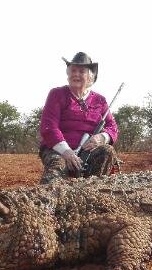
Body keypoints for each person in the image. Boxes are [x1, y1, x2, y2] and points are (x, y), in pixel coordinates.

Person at [38, 52, 119, 184]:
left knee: (107, 151)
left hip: (89, 152)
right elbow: (49, 127)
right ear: (68, 74)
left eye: (81, 71)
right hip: (58, 151)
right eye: (73, 70)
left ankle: (92, 192)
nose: (76, 74)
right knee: (56, 172)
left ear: (90, 77)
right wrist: (67, 152)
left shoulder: (100, 100)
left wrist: (102, 137)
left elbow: (112, 127)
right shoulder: (56, 94)